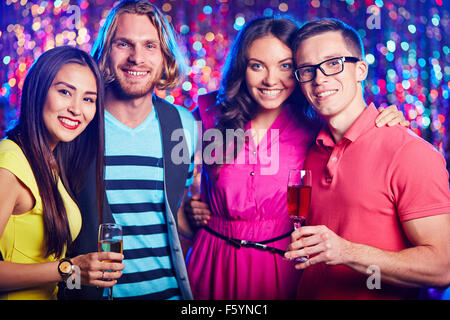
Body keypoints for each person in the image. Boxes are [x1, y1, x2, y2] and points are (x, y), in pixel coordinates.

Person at [183, 16, 408, 300]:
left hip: (281, 264)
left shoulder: (317, 125)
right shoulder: (209, 114)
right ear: (243, 68)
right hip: (212, 261)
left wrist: (386, 118)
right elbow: (164, 170)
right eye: (257, 65)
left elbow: (359, 144)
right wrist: (187, 205)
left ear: (302, 70)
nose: (270, 79)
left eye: (286, 66)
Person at [284, 18, 450, 300]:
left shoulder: (410, 153)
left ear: (360, 69)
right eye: (307, 70)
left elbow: (443, 267)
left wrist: (346, 251)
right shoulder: (310, 148)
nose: (320, 78)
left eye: (333, 63)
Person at [62, 0, 197, 300]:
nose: (137, 58)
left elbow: (177, 217)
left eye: (150, 45)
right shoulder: (77, 121)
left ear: (164, 57)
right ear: (106, 51)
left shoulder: (183, 126)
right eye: (124, 44)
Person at [0, 46, 124, 300]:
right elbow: (62, 269)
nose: (76, 109)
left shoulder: (49, 161)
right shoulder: (9, 161)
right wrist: (68, 268)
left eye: (88, 99)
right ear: (38, 91)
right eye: (65, 92)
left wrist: (80, 274)